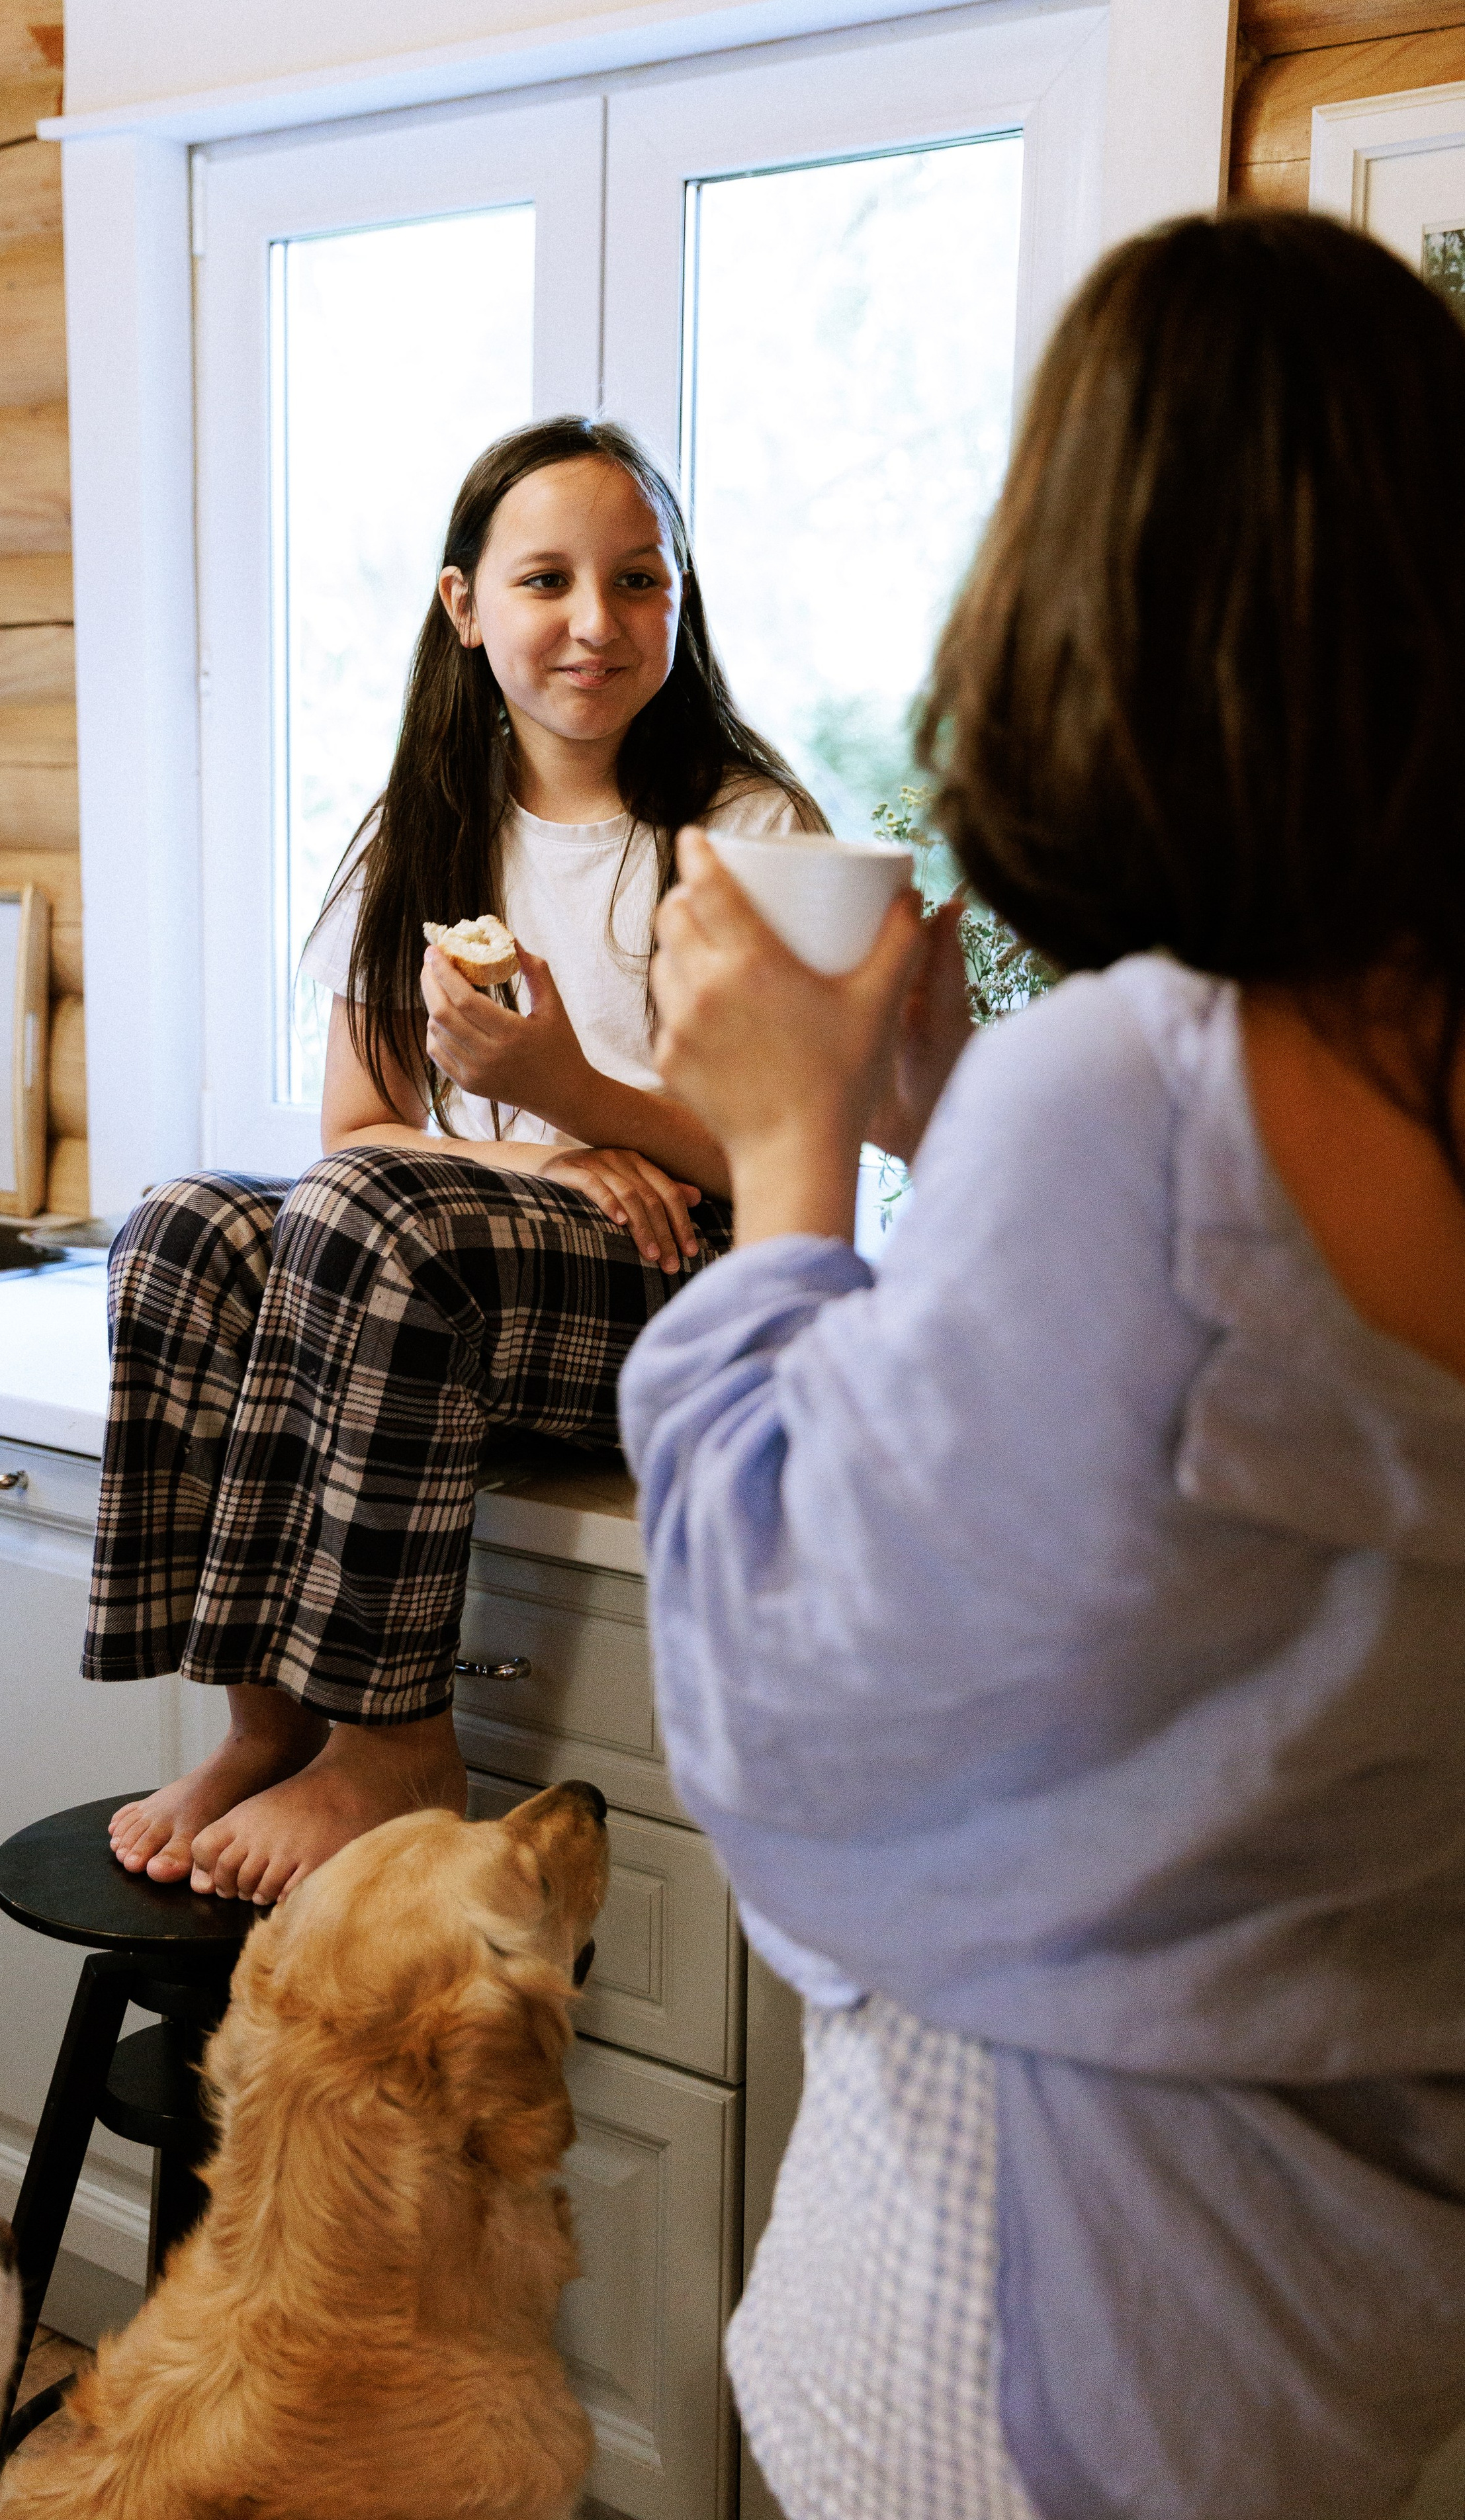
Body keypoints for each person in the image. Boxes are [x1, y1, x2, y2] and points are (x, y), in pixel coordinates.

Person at [619, 211, 1465, 2520]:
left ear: (1096, 593)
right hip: (1348, 2341)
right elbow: (1220, 1525)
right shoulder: (1277, 1086)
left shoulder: (1130, 1091)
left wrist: (786, 1149)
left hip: (1016, 2359)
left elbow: (800, 1703)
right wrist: (935, 1116)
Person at [88, 416, 822, 1907]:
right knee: (180, 1224)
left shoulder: (748, 830)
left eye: (638, 582)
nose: (595, 624)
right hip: (455, 1281)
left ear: (678, 601)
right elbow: (354, 1133)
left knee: (375, 1213)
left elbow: (793, 1156)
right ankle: (266, 1723)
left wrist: (563, 1089)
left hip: (688, 1293)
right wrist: (547, 1152)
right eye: (546, 580)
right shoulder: (422, 836)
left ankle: (397, 1743)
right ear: (461, 606)